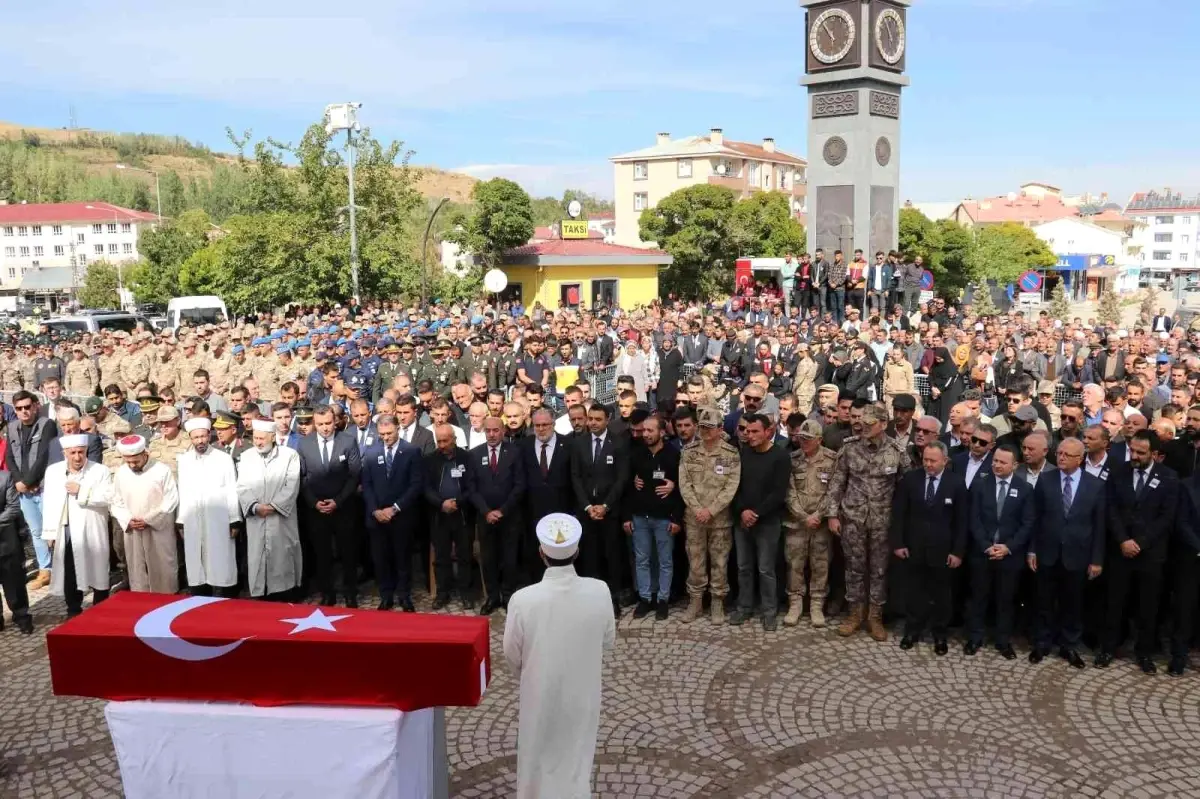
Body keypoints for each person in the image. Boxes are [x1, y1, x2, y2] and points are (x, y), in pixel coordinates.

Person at [502, 513, 615, 799]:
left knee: (536, 755)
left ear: (541, 553)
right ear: (577, 552)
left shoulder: (523, 600)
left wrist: (533, 672)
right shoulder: (600, 591)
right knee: (577, 755)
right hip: (583, 691)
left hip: (539, 689)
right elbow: (608, 640)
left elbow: (512, 655)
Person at [1096, 431, 1178, 674]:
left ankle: (1144, 653)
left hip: (1150, 554)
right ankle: (1108, 648)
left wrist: (1140, 542)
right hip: (1120, 550)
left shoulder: (1168, 477)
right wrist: (1123, 540)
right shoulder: (1118, 471)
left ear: (1154, 454)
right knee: (1114, 603)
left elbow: (1166, 517)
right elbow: (1110, 509)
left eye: (1141, 453)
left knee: (1147, 606)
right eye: (1132, 450)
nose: (1135, 456)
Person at [825, 403, 907, 641]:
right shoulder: (850, 448)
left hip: (882, 520)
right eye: (862, 423)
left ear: (883, 424)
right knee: (854, 568)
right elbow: (837, 483)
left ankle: (875, 617)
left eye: (870, 424)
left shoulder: (896, 451)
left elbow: (905, 487)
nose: (863, 427)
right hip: (853, 518)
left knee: (879, 570)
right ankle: (854, 614)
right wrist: (832, 514)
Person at [1029, 438, 1105, 669]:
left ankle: (1069, 645)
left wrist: (1096, 559)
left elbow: (1099, 525)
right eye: (1059, 453)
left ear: (1079, 459)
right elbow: (1035, 518)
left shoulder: (1096, 485)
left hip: (1078, 555)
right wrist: (1032, 550)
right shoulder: (1045, 480)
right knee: (1044, 601)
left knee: (1073, 603)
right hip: (1047, 552)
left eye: (1066, 455)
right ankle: (1042, 642)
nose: (1060, 457)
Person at [892, 441, 968, 654]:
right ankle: (912, 630)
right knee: (914, 591)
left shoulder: (956, 483)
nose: (928, 464)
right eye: (925, 459)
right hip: (914, 547)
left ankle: (940, 634)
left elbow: (962, 521)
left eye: (933, 461)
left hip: (943, 551)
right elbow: (899, 514)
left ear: (945, 460)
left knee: (942, 594)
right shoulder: (910, 480)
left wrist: (957, 551)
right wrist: (898, 543)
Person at [964, 445, 1035, 659]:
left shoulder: (1024, 489)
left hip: (1009, 556)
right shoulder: (979, 485)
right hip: (982, 553)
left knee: (1006, 600)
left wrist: (1008, 547)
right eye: (995, 460)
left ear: (1015, 465)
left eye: (1003, 462)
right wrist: (986, 545)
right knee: (978, 597)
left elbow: (1028, 523)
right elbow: (973, 519)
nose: (996, 465)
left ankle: (1003, 641)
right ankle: (975, 637)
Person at [678, 405, 741, 624]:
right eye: (702, 427)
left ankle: (717, 603)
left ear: (720, 428)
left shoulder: (731, 454)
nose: (705, 431)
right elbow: (684, 484)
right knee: (695, 562)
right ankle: (695, 601)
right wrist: (698, 509)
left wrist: (711, 510)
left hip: (720, 520)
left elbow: (731, 486)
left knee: (719, 562)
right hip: (695, 518)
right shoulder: (689, 452)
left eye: (709, 427)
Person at [729, 413, 792, 631]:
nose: (750, 435)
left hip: (767, 521)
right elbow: (733, 486)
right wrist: (743, 512)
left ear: (768, 432)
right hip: (742, 520)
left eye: (755, 431)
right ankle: (744, 607)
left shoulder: (780, 456)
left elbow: (778, 493)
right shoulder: (743, 454)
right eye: (747, 431)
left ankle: (769, 611)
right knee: (743, 567)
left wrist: (755, 513)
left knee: (766, 569)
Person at [297, 405, 363, 607]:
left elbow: (354, 475)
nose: (325, 428)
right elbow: (301, 477)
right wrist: (314, 502)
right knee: (322, 552)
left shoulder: (347, 441)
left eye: (328, 423)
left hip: (343, 506)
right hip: (316, 508)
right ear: (314, 424)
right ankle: (327, 592)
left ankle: (350, 592)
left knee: (348, 551)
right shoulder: (304, 444)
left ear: (335, 421)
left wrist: (338, 501)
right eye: (320, 424)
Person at [570, 404, 630, 617]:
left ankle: (612, 600)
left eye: (598, 419)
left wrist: (605, 506)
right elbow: (575, 477)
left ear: (607, 420)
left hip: (609, 511)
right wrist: (587, 506)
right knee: (589, 557)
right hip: (586, 511)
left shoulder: (619, 443)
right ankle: (590, 600)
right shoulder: (579, 444)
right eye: (591, 419)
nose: (593, 423)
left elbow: (622, 478)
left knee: (612, 557)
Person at [363, 414, 424, 612]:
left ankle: (404, 596)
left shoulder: (411, 451)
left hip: (401, 516)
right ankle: (386, 595)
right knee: (381, 559)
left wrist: (395, 508)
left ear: (398, 428)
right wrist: (375, 510)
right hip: (377, 517)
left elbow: (415, 485)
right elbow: (367, 484)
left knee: (402, 558)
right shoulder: (371, 452)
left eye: (389, 433)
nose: (386, 437)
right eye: (382, 434)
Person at [624, 415, 682, 620]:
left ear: (662, 432)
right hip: (640, 516)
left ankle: (663, 600)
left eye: (650, 430)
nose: (645, 434)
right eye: (643, 431)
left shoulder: (673, 455)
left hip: (665, 517)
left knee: (665, 561)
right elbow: (627, 487)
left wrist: (676, 519)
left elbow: (681, 489)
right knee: (642, 560)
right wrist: (627, 516)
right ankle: (645, 598)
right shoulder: (636, 454)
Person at [237, 419, 302, 600]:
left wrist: (273, 507)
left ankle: (284, 595)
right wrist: (255, 507)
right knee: (257, 557)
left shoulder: (289, 455)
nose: (258, 442)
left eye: (262, 438)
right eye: (255, 438)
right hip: (256, 516)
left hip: (281, 518)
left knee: (282, 558)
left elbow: (291, 485)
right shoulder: (247, 456)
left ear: (272, 437)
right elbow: (242, 486)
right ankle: (260, 596)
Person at [176, 418, 242, 598]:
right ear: (190, 438)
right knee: (197, 560)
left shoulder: (223, 458)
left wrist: (234, 520)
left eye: (203, 436)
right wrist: (181, 521)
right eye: (196, 437)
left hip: (218, 518)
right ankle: (199, 598)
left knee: (221, 559)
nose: (200, 441)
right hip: (193, 519)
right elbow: (183, 490)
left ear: (209, 435)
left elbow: (231, 489)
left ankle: (225, 598)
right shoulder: (184, 460)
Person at [468, 415, 526, 615]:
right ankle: (492, 597)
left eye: (495, 430)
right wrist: (486, 511)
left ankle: (508, 595)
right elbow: (471, 488)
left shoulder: (515, 452)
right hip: (485, 517)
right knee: (488, 558)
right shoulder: (474, 454)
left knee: (509, 558)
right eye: (488, 431)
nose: (491, 435)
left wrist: (502, 510)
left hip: (509, 516)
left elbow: (520, 485)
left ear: (503, 431)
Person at [110, 434, 180, 594]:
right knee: (137, 569)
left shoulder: (162, 470)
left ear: (144, 454)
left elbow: (171, 500)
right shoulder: (122, 473)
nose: (132, 465)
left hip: (158, 529)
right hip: (133, 529)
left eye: (136, 461)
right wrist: (127, 519)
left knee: (163, 568)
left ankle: (167, 600)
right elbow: (116, 501)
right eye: (128, 462)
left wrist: (149, 520)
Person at [783, 419, 837, 627]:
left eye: (808, 439)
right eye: (801, 438)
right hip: (796, 523)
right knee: (794, 565)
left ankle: (816, 605)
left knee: (820, 565)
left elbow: (834, 491)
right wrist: (803, 516)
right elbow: (788, 492)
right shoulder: (792, 459)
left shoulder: (832, 460)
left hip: (821, 524)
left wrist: (818, 514)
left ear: (819, 440)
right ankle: (795, 604)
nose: (803, 442)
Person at [7, 390, 57, 589]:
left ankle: (61, 569)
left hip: (44, 487)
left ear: (35, 405)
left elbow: (44, 455)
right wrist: (19, 482)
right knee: (36, 532)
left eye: (27, 407)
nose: (24, 411)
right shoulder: (12, 428)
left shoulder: (47, 425)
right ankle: (46, 570)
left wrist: (27, 481)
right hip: (24, 491)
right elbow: (10, 457)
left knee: (51, 531)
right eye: (19, 408)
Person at [424, 422, 472, 610]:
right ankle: (442, 592)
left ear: (455, 439)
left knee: (464, 555)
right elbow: (425, 488)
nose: (442, 445)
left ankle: (466, 593)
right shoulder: (429, 460)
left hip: (462, 514)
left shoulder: (467, 458)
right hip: (439, 514)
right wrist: (441, 503)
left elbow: (472, 487)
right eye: (439, 441)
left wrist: (457, 502)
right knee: (441, 556)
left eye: (446, 440)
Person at [0, 464, 30, 633]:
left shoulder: (5, 478)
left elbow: (13, 508)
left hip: (6, 539)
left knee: (14, 581)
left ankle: (22, 616)